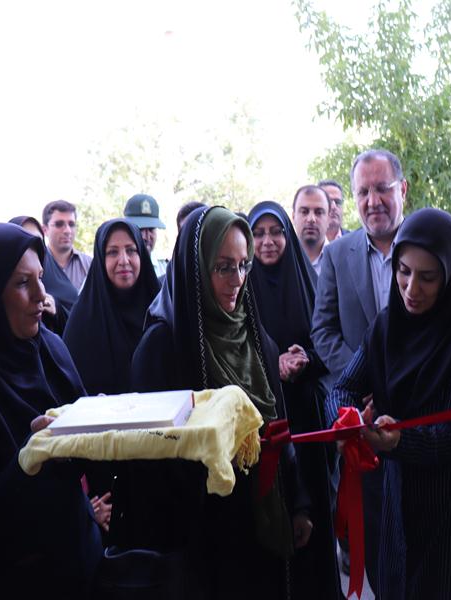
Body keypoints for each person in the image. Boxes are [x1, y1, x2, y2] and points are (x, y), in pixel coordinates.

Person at [129, 205, 311, 599]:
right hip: (199, 539)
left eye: (244, 265)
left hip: (259, 526)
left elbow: (278, 428)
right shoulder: (163, 346)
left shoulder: (256, 338)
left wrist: (297, 503)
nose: (238, 280)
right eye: (224, 267)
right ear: (196, 268)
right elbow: (152, 459)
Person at [326, 208, 451, 599]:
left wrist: (399, 441)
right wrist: (346, 420)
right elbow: (344, 386)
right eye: (403, 272)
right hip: (399, 499)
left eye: (427, 277)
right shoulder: (388, 325)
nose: (411, 289)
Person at [0, 223, 102, 598]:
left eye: (41, 277)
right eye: (23, 283)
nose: (42, 295)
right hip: (8, 581)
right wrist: (32, 456)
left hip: (79, 560)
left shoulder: (50, 349)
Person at [311, 148, 408, 591]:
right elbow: (323, 330)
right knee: (378, 545)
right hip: (364, 424)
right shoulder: (337, 255)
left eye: (382, 189)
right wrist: (359, 374)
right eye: (363, 192)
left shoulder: (427, 242)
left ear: (402, 190)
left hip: (420, 422)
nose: (373, 201)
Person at [248, 201, 341, 599]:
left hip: (306, 420)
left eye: (275, 232)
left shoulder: (310, 284)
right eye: (258, 233)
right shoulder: (241, 290)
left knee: (314, 514)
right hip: (263, 422)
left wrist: (305, 358)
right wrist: (273, 362)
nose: (267, 241)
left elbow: (328, 342)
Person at [63, 219, 159, 396]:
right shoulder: (82, 322)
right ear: (100, 259)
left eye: (131, 250)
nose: (124, 260)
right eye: (113, 252)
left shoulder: (161, 312)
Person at [9, 215, 79, 335]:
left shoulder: (54, 275)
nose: (40, 294)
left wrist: (57, 309)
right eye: (24, 240)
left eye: (37, 241)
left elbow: (78, 326)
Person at [42, 199, 93, 290]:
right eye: (59, 224)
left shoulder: (90, 265)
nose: (67, 231)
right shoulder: (37, 264)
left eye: (71, 224)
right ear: (45, 230)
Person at [124, 193, 169, 278]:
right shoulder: (118, 266)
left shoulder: (166, 267)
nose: (146, 237)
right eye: (140, 229)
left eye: (151, 229)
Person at [291, 185, 331, 275]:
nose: (311, 219)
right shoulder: (283, 259)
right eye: (304, 212)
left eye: (319, 212)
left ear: (328, 218)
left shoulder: (341, 260)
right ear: (293, 217)